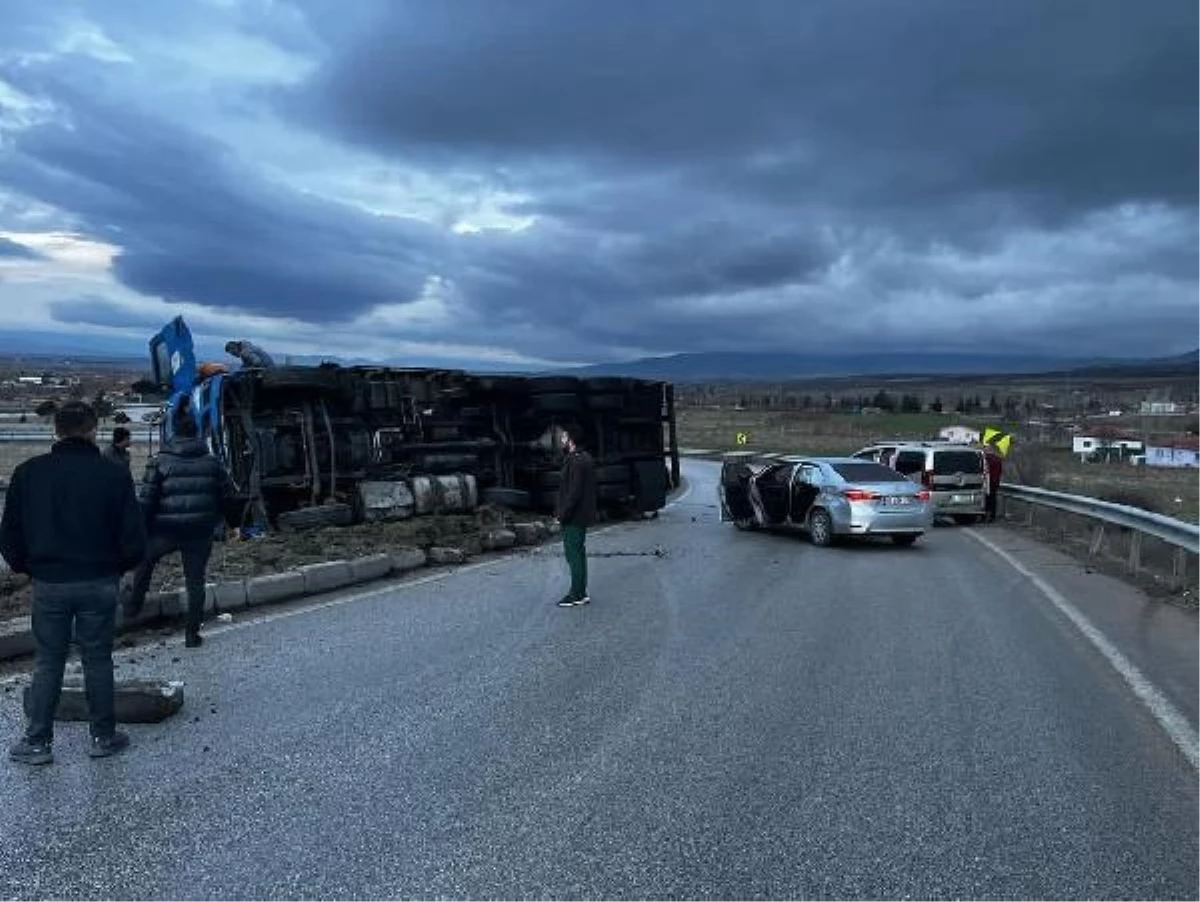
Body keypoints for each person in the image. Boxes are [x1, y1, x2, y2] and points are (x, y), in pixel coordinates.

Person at [1, 401, 146, 765]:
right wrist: (117, 566)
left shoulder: (28, 473)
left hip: (49, 581)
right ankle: (103, 736)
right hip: (99, 579)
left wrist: (28, 567)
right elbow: (134, 537)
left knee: (49, 661)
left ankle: (37, 742)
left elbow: (9, 535)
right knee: (97, 658)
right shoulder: (114, 475)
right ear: (93, 430)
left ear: (56, 431)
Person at [123, 396, 235, 648]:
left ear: (173, 433)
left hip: (165, 530)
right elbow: (227, 496)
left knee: (145, 562)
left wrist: (140, 528)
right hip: (200, 531)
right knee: (195, 581)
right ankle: (192, 635)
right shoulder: (213, 462)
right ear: (198, 433)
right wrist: (226, 522)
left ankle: (131, 608)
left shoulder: (160, 461)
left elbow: (147, 501)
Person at [554, 423, 597, 607]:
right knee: (579, 553)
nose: (561, 440)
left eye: (564, 437)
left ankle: (576, 595)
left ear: (571, 440)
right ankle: (581, 591)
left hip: (574, 516)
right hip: (581, 515)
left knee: (573, 555)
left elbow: (574, 493)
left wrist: (561, 515)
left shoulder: (576, 461)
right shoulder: (585, 457)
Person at [984, 446, 1003, 523]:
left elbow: (986, 471)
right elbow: (1000, 472)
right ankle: (992, 516)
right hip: (994, 482)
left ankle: (987, 516)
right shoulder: (998, 459)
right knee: (993, 499)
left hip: (988, 481)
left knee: (987, 499)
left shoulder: (986, 459)